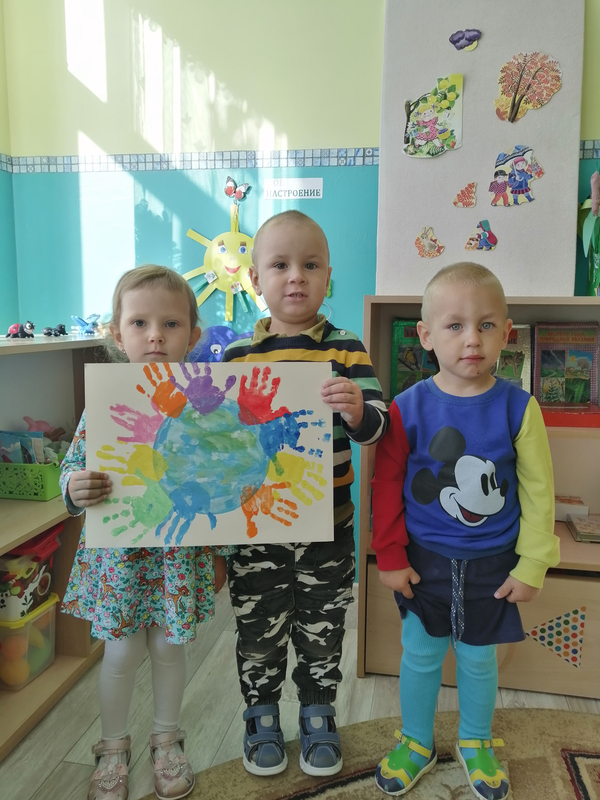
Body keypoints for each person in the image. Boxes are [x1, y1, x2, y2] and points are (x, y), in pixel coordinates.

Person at [371, 263, 559, 799]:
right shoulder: (406, 407)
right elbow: (386, 485)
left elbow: (539, 490)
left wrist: (533, 563)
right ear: (426, 335)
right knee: (420, 653)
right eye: (455, 326)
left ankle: (475, 739)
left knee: (479, 659)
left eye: (486, 325)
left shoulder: (520, 407)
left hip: (493, 564)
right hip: (422, 560)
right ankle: (416, 740)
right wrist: (389, 555)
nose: (471, 339)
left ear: (507, 333)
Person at [222, 210, 389, 777]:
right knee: (258, 628)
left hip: (329, 528)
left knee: (324, 625)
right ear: (255, 278)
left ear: (328, 276)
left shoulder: (346, 349)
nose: (296, 276)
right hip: (256, 529)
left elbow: (378, 427)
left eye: (310, 265)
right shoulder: (236, 357)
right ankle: (261, 714)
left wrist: (358, 410)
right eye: (280, 265)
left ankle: (319, 712)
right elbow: (223, 446)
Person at [60, 265, 233, 800]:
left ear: (192, 335)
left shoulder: (205, 405)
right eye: (139, 323)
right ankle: (113, 746)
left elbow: (222, 484)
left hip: (177, 556)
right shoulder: (105, 401)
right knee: (119, 654)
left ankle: (166, 738)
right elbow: (73, 468)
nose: (155, 336)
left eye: (170, 324)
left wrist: (222, 552)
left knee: (167, 648)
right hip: (121, 558)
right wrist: (74, 488)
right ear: (118, 334)